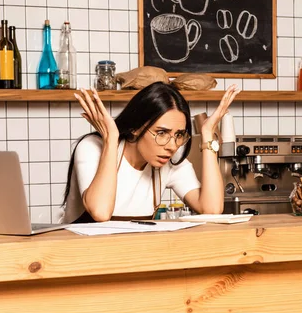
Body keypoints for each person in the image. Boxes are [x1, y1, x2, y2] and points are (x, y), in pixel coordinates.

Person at [62, 81, 240, 223]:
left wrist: (207, 133)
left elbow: (212, 209)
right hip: (81, 257)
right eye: (162, 133)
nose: (172, 146)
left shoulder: (171, 160)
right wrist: (111, 139)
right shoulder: (92, 147)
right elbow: (100, 212)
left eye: (179, 134)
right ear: (136, 128)